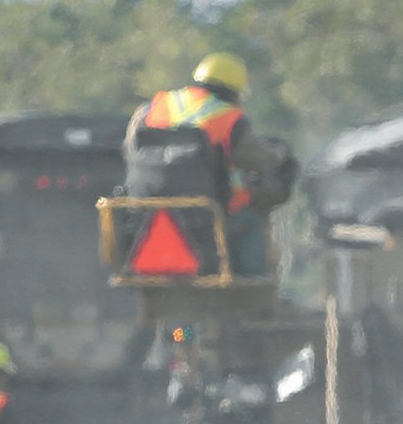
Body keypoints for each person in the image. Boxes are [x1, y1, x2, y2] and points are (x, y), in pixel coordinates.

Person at [124, 52, 299, 279]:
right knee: (252, 220)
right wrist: (280, 153)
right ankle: (253, 288)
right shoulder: (227, 117)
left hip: (143, 213)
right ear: (234, 92)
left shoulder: (151, 109)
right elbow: (259, 160)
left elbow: (130, 150)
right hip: (205, 218)